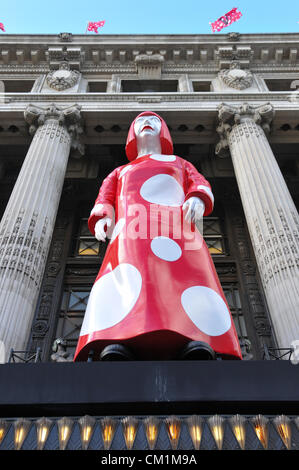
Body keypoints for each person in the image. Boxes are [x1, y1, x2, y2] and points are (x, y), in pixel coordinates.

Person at [74, 111, 242, 361]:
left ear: (163, 131)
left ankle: (194, 337)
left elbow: (198, 182)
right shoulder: (120, 171)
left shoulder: (179, 163)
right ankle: (122, 338)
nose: (147, 124)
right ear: (132, 133)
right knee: (130, 282)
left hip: (176, 229)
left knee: (184, 280)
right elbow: (105, 197)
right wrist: (103, 217)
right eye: (141, 122)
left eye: (154, 121)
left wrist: (197, 197)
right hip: (133, 231)